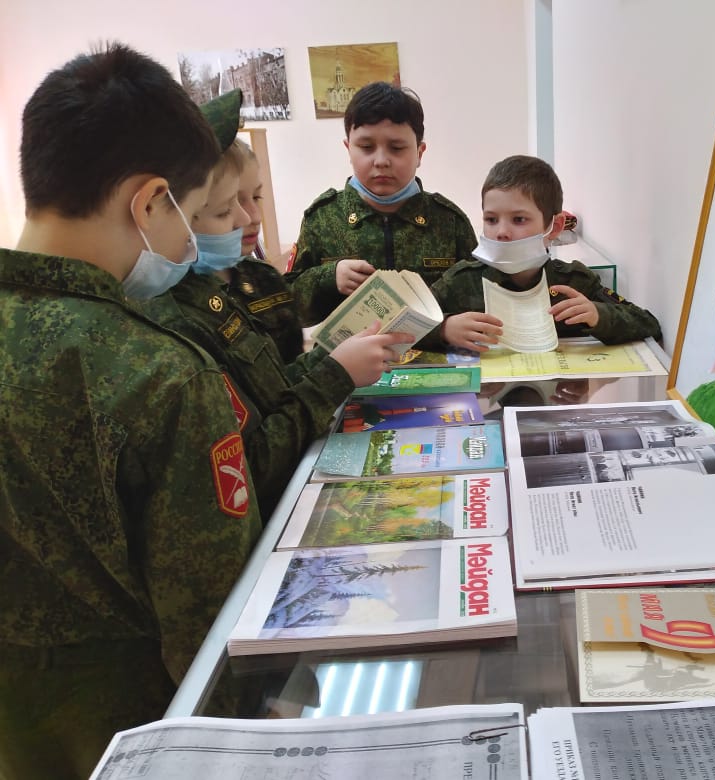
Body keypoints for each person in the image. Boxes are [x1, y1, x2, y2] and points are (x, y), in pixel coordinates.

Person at [0, 44, 263, 779]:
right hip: (130, 729)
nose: (192, 237)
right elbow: (205, 621)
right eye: (192, 211)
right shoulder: (159, 372)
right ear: (149, 202)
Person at [141, 89, 410, 521]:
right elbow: (248, 461)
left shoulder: (257, 277)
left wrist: (334, 361)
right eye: (225, 208)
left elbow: (280, 379)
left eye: (256, 198)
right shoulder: (170, 317)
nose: (249, 217)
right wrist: (335, 371)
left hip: (307, 463)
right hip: (274, 501)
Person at [422, 155, 662, 353]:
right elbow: (405, 325)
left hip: (558, 391)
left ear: (554, 227)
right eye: (491, 219)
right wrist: (443, 329)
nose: (502, 232)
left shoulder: (574, 282)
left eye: (519, 219)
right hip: (488, 393)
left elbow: (647, 323)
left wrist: (598, 315)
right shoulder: (460, 281)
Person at [285, 81, 477, 325]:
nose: (381, 161)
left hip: (436, 349)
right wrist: (328, 278)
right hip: (348, 350)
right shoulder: (323, 219)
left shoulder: (449, 221)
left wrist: (445, 325)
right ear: (348, 149)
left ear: (419, 153)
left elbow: (478, 296)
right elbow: (287, 308)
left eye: (396, 148)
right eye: (366, 147)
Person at [227, 138, 306, 364]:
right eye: (230, 203)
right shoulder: (173, 299)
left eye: (256, 197)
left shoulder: (266, 278)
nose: (254, 216)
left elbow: (295, 366)